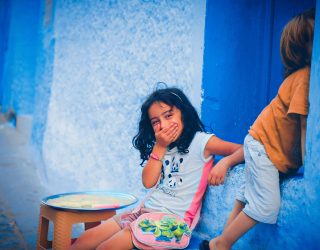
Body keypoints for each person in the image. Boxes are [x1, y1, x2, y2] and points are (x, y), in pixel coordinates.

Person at [70, 87, 244, 250]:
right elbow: (148, 181)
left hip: (173, 223)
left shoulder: (202, 142)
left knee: (107, 247)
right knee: (86, 238)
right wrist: (160, 147)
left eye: (168, 115)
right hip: (144, 212)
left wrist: (225, 163)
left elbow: (244, 150)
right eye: (156, 122)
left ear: (183, 113)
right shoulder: (162, 145)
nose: (163, 125)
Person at [200, 8, 315, 250]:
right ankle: (223, 243)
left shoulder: (302, 78)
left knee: (246, 196)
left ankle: (218, 243)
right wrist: (309, 165)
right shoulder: (304, 78)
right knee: (266, 206)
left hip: (261, 144)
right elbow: (304, 124)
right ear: (305, 47)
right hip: (263, 147)